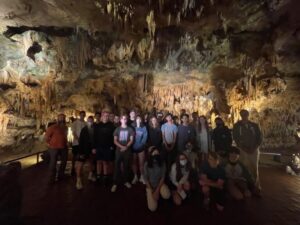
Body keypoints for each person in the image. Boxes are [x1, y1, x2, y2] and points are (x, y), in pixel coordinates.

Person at [232, 109, 263, 190]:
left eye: (245, 114)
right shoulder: (237, 126)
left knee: (254, 167)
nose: (244, 116)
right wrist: (244, 148)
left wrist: (254, 147)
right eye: (242, 114)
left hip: (254, 149)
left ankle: (256, 186)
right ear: (240, 115)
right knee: (244, 167)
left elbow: (259, 137)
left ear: (248, 115)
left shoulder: (254, 125)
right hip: (242, 150)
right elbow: (236, 138)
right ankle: (245, 185)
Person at [111, 115, 135, 192]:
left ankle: (125, 181)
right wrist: (122, 147)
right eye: (122, 119)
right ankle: (115, 183)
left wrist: (126, 147)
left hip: (127, 151)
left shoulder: (130, 129)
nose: (124, 120)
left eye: (125, 119)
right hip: (119, 151)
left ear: (126, 120)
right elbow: (115, 141)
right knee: (117, 166)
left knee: (126, 166)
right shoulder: (117, 129)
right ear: (120, 120)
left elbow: (131, 140)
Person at [144, 147, 170, 212]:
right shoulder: (146, 164)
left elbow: (162, 177)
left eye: (157, 152)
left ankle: (158, 193)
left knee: (167, 195)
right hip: (150, 186)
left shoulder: (162, 162)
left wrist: (157, 191)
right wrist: (152, 191)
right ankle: (148, 193)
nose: (156, 154)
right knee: (152, 208)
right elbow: (146, 179)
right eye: (153, 152)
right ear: (150, 154)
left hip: (159, 184)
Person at [44, 113, 68, 184]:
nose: (62, 119)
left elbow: (65, 137)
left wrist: (66, 143)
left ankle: (61, 176)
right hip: (54, 148)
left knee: (64, 162)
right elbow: (46, 137)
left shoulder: (65, 127)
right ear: (58, 119)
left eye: (63, 118)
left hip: (63, 147)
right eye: (61, 118)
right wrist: (49, 144)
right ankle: (51, 178)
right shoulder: (53, 127)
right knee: (53, 163)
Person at [94, 111, 115, 185]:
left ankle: (105, 176)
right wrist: (94, 147)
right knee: (99, 161)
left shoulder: (111, 125)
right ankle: (98, 176)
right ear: (102, 116)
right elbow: (94, 137)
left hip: (107, 146)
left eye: (107, 116)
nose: (106, 117)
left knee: (105, 162)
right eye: (104, 115)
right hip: (99, 146)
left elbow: (113, 137)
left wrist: (112, 146)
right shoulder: (97, 126)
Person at [75, 116, 96, 190]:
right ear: (87, 121)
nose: (90, 122)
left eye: (91, 121)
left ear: (93, 121)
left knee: (91, 162)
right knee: (80, 164)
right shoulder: (84, 130)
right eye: (89, 121)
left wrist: (94, 148)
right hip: (84, 150)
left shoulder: (94, 129)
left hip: (91, 150)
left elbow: (95, 140)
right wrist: (81, 152)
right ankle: (78, 180)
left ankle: (90, 175)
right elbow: (81, 141)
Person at [132, 115, 148, 184]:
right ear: (135, 120)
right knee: (134, 162)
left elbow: (145, 137)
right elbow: (130, 136)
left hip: (141, 148)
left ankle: (142, 176)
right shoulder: (133, 127)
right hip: (133, 147)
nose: (138, 120)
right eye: (137, 119)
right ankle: (135, 176)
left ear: (141, 120)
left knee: (141, 163)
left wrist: (141, 144)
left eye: (139, 119)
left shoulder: (143, 128)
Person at [70, 111, 86, 176]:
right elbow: (73, 132)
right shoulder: (75, 123)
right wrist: (78, 139)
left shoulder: (85, 123)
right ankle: (73, 168)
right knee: (75, 156)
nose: (82, 116)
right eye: (81, 115)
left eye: (83, 115)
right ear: (80, 115)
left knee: (81, 156)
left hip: (83, 143)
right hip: (76, 143)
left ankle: (79, 169)